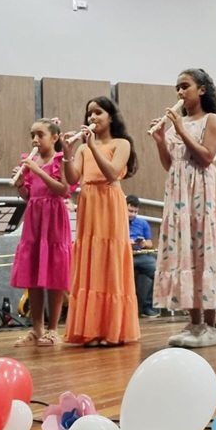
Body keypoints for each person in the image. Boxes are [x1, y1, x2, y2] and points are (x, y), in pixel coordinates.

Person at [151, 69, 216, 348]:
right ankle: (195, 323)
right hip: (178, 193)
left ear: (201, 89)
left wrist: (180, 131)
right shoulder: (177, 124)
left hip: (201, 190)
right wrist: (160, 141)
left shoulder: (210, 119)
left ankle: (212, 326)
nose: (180, 92)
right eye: (177, 87)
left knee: (204, 251)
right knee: (184, 253)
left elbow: (206, 157)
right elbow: (170, 164)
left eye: (185, 86)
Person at [62, 96, 140, 347]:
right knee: (91, 260)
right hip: (88, 201)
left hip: (109, 200)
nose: (92, 118)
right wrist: (67, 153)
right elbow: (72, 179)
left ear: (111, 117)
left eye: (97, 112)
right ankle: (92, 330)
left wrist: (92, 146)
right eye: (89, 114)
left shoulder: (122, 143)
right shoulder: (83, 149)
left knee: (110, 261)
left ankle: (112, 330)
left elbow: (112, 172)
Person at [10, 118, 73, 347]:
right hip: (34, 218)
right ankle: (37, 329)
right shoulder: (30, 160)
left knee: (55, 273)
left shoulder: (60, 159)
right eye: (32, 135)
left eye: (40, 135)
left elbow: (64, 190)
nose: (35, 140)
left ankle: (53, 329)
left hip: (54, 217)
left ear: (55, 138)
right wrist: (20, 183)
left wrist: (38, 171)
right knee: (33, 273)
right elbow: (29, 196)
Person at [126, 194, 159, 319]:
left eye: (135, 212)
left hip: (140, 255)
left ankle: (148, 307)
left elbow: (150, 243)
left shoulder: (142, 223)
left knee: (158, 272)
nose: (133, 214)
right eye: (130, 211)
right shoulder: (117, 222)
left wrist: (143, 243)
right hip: (124, 255)